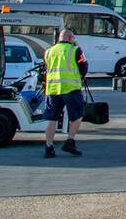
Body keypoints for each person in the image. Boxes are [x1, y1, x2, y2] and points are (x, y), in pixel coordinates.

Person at [43, 28, 88, 158]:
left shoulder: (49, 51)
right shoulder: (75, 50)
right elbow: (83, 66)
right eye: (73, 38)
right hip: (71, 88)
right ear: (69, 38)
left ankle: (49, 146)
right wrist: (81, 77)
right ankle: (70, 140)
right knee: (77, 115)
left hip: (52, 89)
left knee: (52, 119)